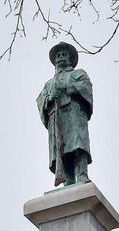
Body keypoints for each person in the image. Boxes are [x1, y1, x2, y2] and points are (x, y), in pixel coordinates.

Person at [36, 42, 93, 186]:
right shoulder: (49, 84)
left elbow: (86, 88)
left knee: (77, 144)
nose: (61, 57)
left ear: (70, 58)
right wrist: (49, 98)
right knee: (61, 149)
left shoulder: (78, 73)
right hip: (56, 117)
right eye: (58, 55)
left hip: (74, 114)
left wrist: (67, 86)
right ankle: (68, 180)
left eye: (64, 54)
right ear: (54, 61)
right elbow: (40, 100)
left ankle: (82, 176)